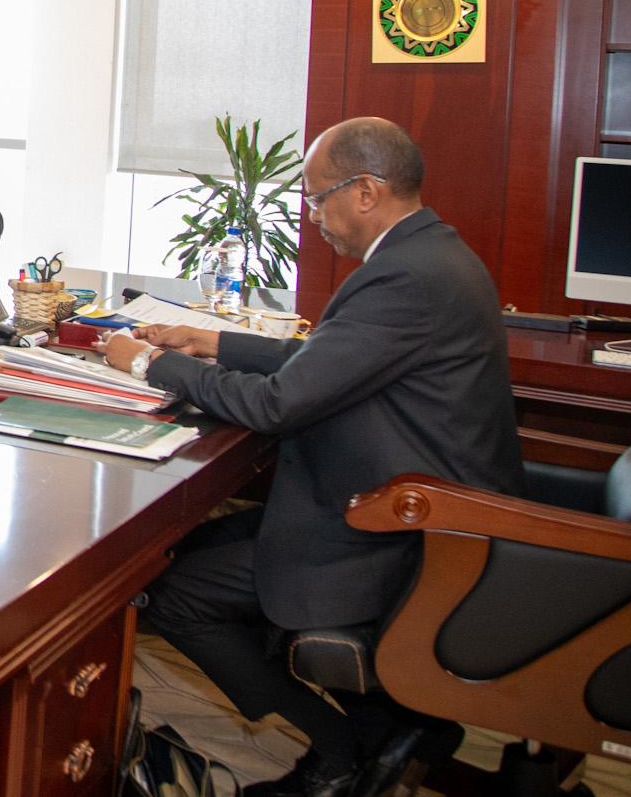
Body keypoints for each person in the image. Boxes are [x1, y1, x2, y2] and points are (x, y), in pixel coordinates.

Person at [102, 118, 522, 797]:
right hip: (403, 504)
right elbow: (330, 361)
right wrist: (213, 342)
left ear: (366, 191)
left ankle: (338, 748)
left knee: (175, 594)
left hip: (401, 536)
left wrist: (149, 362)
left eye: (318, 197)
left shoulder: (403, 276)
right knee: (184, 549)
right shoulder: (430, 253)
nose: (313, 216)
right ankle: (390, 726)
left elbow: (279, 404)